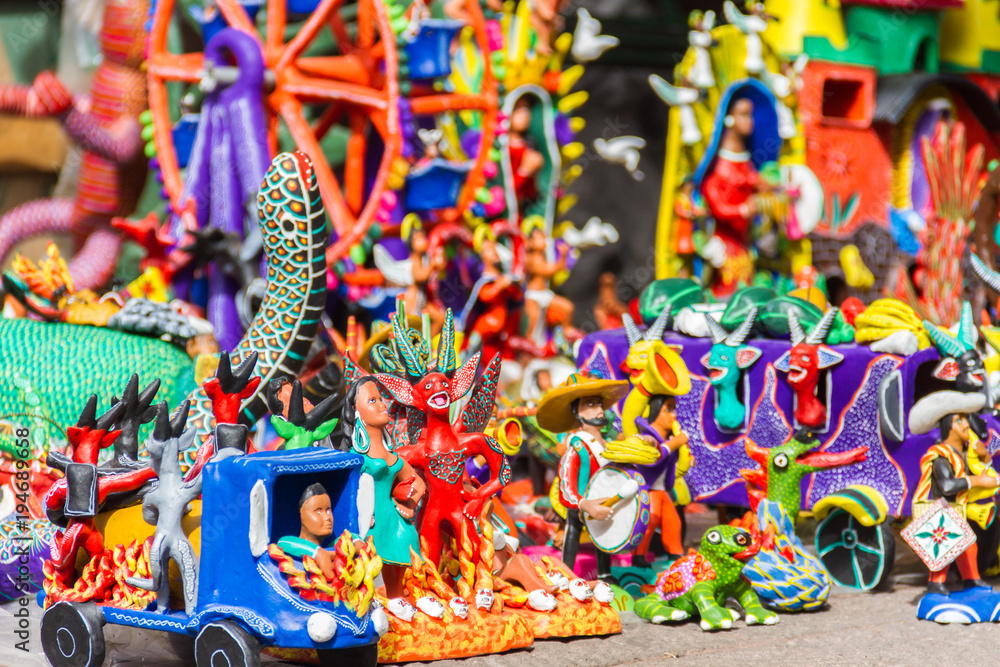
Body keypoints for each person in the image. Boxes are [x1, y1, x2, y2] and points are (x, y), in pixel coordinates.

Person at [536, 372, 629, 580]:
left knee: (602, 532)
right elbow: (566, 487)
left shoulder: (608, 445)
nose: (598, 410)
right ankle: (567, 573)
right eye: (590, 404)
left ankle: (604, 573)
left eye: (599, 404)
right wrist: (586, 504)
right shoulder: (577, 448)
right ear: (577, 414)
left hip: (604, 501)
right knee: (573, 532)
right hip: (581, 504)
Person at [341, 376, 426, 598]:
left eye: (381, 399)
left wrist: (411, 503)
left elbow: (418, 481)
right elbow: (345, 490)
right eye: (372, 400)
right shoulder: (353, 457)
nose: (382, 405)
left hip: (391, 517)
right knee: (363, 568)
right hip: (368, 522)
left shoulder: (394, 456)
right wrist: (357, 515)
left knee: (404, 544)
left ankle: (396, 598)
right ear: (355, 411)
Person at [909, 390, 999, 595]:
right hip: (944, 511)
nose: (967, 424)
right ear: (948, 425)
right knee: (943, 550)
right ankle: (935, 584)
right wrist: (978, 480)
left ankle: (971, 579)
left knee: (968, 546)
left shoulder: (964, 454)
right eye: (960, 420)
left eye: (966, 418)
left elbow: (978, 468)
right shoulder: (941, 457)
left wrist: (984, 457)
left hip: (958, 510)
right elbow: (948, 486)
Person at [632, 395, 688, 566]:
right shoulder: (647, 438)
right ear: (655, 413)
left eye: (674, 409)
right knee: (649, 522)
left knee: (673, 521)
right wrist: (675, 443)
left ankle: (675, 555)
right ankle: (638, 557)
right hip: (649, 490)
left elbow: (670, 461)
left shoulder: (667, 440)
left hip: (662, 490)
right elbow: (654, 458)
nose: (674, 415)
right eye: (668, 409)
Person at [523, 218, 574, 346]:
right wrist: (561, 258)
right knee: (533, 321)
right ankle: (529, 347)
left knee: (567, 307)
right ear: (531, 242)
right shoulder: (531, 259)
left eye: (543, 237)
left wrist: (563, 255)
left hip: (544, 293)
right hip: (533, 296)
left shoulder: (543, 256)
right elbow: (547, 271)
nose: (543, 240)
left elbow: (560, 267)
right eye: (539, 238)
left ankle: (566, 331)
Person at [278, 483, 339, 580]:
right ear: (302, 516)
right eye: (318, 512)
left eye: (328, 511)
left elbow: (344, 540)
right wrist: (317, 554)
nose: (327, 517)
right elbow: (282, 542)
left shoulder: (327, 549)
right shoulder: (289, 543)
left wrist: (356, 541)